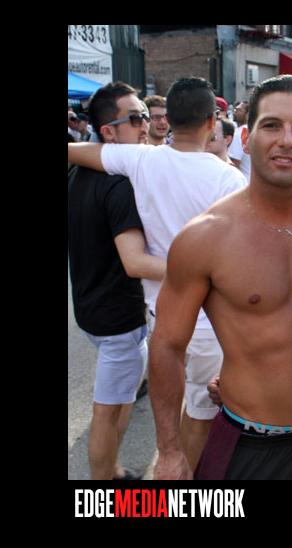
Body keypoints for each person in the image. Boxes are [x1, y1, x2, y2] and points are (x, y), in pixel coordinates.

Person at [151, 75, 292, 480]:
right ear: (245, 139)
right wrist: (170, 451)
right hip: (250, 443)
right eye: (271, 125)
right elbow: (167, 345)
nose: (287, 140)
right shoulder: (204, 237)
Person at [68, 77, 247, 472]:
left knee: (168, 418)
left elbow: (77, 151)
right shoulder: (229, 181)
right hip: (208, 323)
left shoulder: (141, 160)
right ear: (211, 122)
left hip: (161, 317)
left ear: (169, 121)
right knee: (199, 415)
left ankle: (168, 466)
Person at [68, 81, 165, 480]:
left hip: (92, 310)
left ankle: (114, 472)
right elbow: (135, 262)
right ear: (108, 132)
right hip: (117, 320)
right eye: (136, 118)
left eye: (146, 117)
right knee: (107, 413)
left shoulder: (79, 171)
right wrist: (200, 266)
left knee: (121, 400)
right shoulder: (119, 183)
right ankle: (103, 487)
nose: (146, 126)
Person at [228, 101, 251, 180]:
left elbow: (234, 163)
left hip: (243, 182)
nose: (235, 112)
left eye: (239, 110)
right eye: (235, 110)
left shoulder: (239, 133)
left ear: (247, 114)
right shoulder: (253, 130)